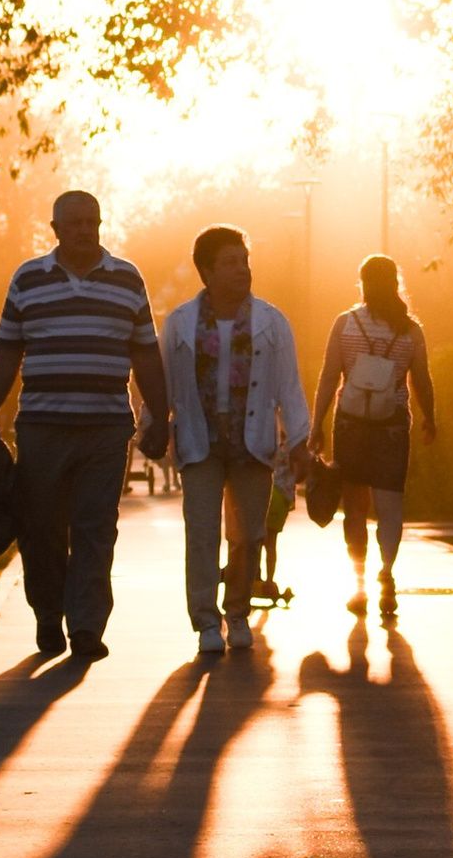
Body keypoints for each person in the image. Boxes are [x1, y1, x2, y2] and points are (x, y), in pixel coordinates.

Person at [0, 190, 169, 667]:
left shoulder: (127, 279)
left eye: (93, 221)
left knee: (95, 526)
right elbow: (5, 353)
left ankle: (85, 626)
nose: (86, 229)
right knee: (41, 527)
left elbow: (145, 352)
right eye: (76, 223)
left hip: (106, 428)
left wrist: (160, 415)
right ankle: (48, 612)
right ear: (55, 228)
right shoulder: (28, 279)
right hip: (42, 426)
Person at [160, 224, 310, 658]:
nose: (241, 270)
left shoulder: (271, 322)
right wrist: (152, 423)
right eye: (229, 263)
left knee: (247, 535)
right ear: (206, 271)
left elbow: (289, 386)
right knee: (203, 534)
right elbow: (165, 383)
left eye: (244, 261)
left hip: (252, 443)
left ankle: (238, 612)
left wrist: (299, 441)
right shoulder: (180, 323)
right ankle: (207, 621)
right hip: (200, 440)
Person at [312, 253, 437, 622]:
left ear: (362, 283)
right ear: (396, 283)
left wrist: (317, 422)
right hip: (392, 427)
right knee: (390, 508)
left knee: (355, 509)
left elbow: (329, 375)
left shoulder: (345, 324)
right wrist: (431, 418)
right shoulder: (411, 330)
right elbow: (422, 379)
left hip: (350, 424)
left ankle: (359, 584)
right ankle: (387, 574)